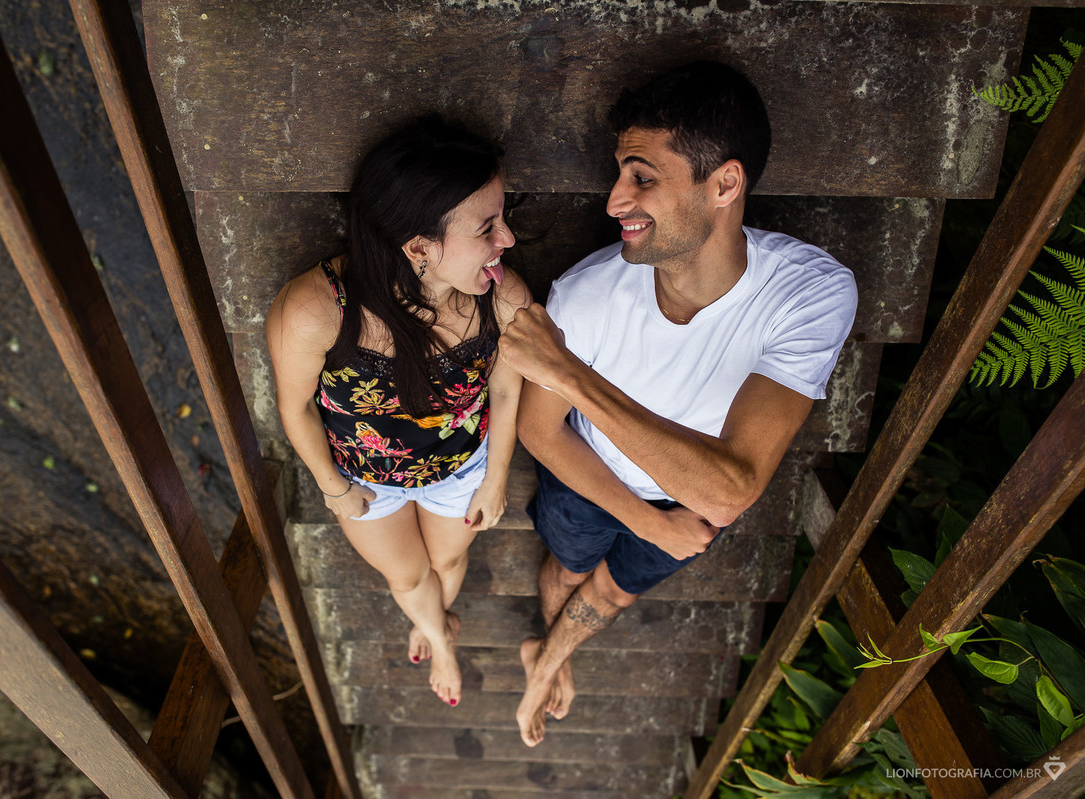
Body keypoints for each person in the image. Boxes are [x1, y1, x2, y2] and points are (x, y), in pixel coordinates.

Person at [499, 61, 858, 747]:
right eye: (619, 174)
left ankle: (545, 662)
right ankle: (549, 648)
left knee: (614, 591)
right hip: (587, 471)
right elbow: (543, 433)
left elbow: (730, 489)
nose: (613, 201)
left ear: (724, 183)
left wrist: (571, 375)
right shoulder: (587, 292)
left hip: (691, 503)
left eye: (642, 176)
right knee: (571, 567)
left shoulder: (811, 294)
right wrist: (644, 518)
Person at [266, 115, 531, 708]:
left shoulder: (503, 296)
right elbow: (295, 407)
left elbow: (509, 390)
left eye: (503, 220)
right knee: (409, 578)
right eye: (487, 227)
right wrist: (335, 491)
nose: (507, 241)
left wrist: (495, 477)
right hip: (364, 478)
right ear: (419, 248)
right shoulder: (317, 309)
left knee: (446, 561)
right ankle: (440, 637)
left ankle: (435, 618)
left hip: (461, 466)